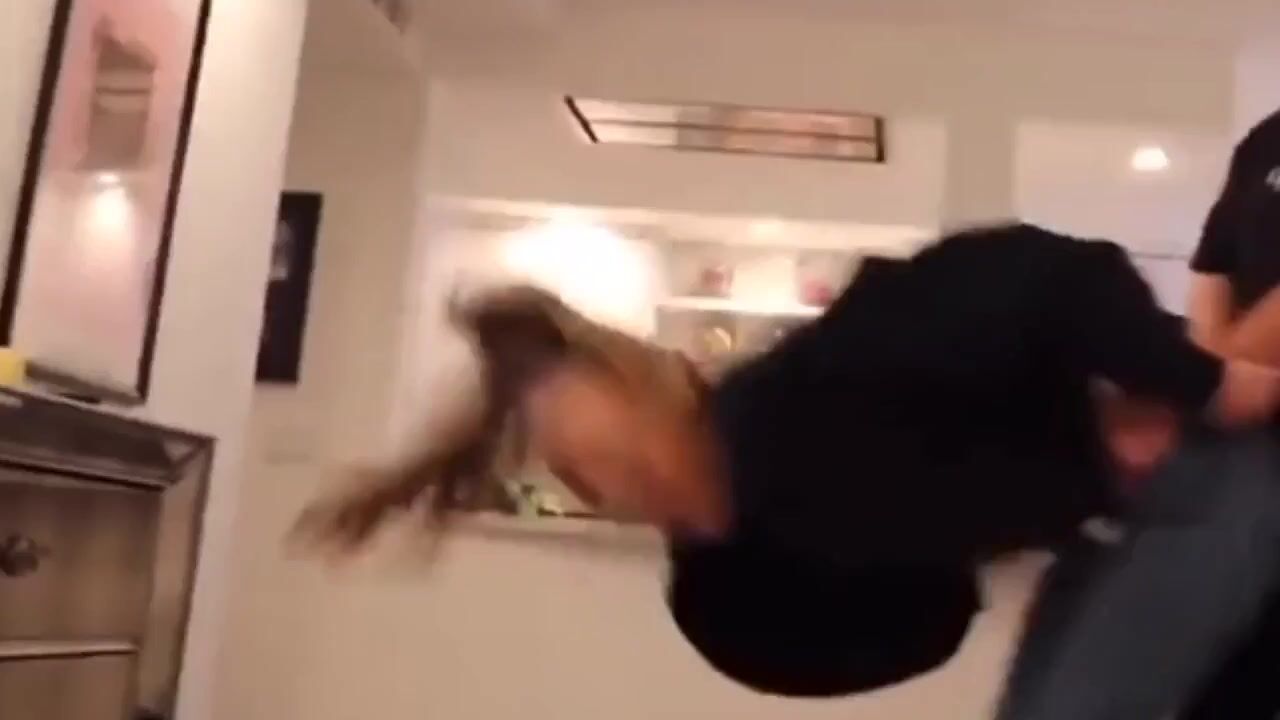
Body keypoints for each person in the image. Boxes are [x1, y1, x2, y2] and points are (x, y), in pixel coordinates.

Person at [294, 223, 1280, 717]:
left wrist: (1197, 384)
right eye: (601, 479)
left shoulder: (829, 381)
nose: (639, 487)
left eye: (633, 450)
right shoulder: (727, 599)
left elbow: (1048, 274)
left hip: (1207, 477)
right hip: (1117, 526)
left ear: (669, 387)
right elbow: (927, 626)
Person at [1179, 108, 1280, 719]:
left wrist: (1214, 381)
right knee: (1217, 662)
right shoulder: (1268, 136)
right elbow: (1212, 262)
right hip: (1246, 433)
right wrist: (1210, 375)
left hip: (1246, 409)